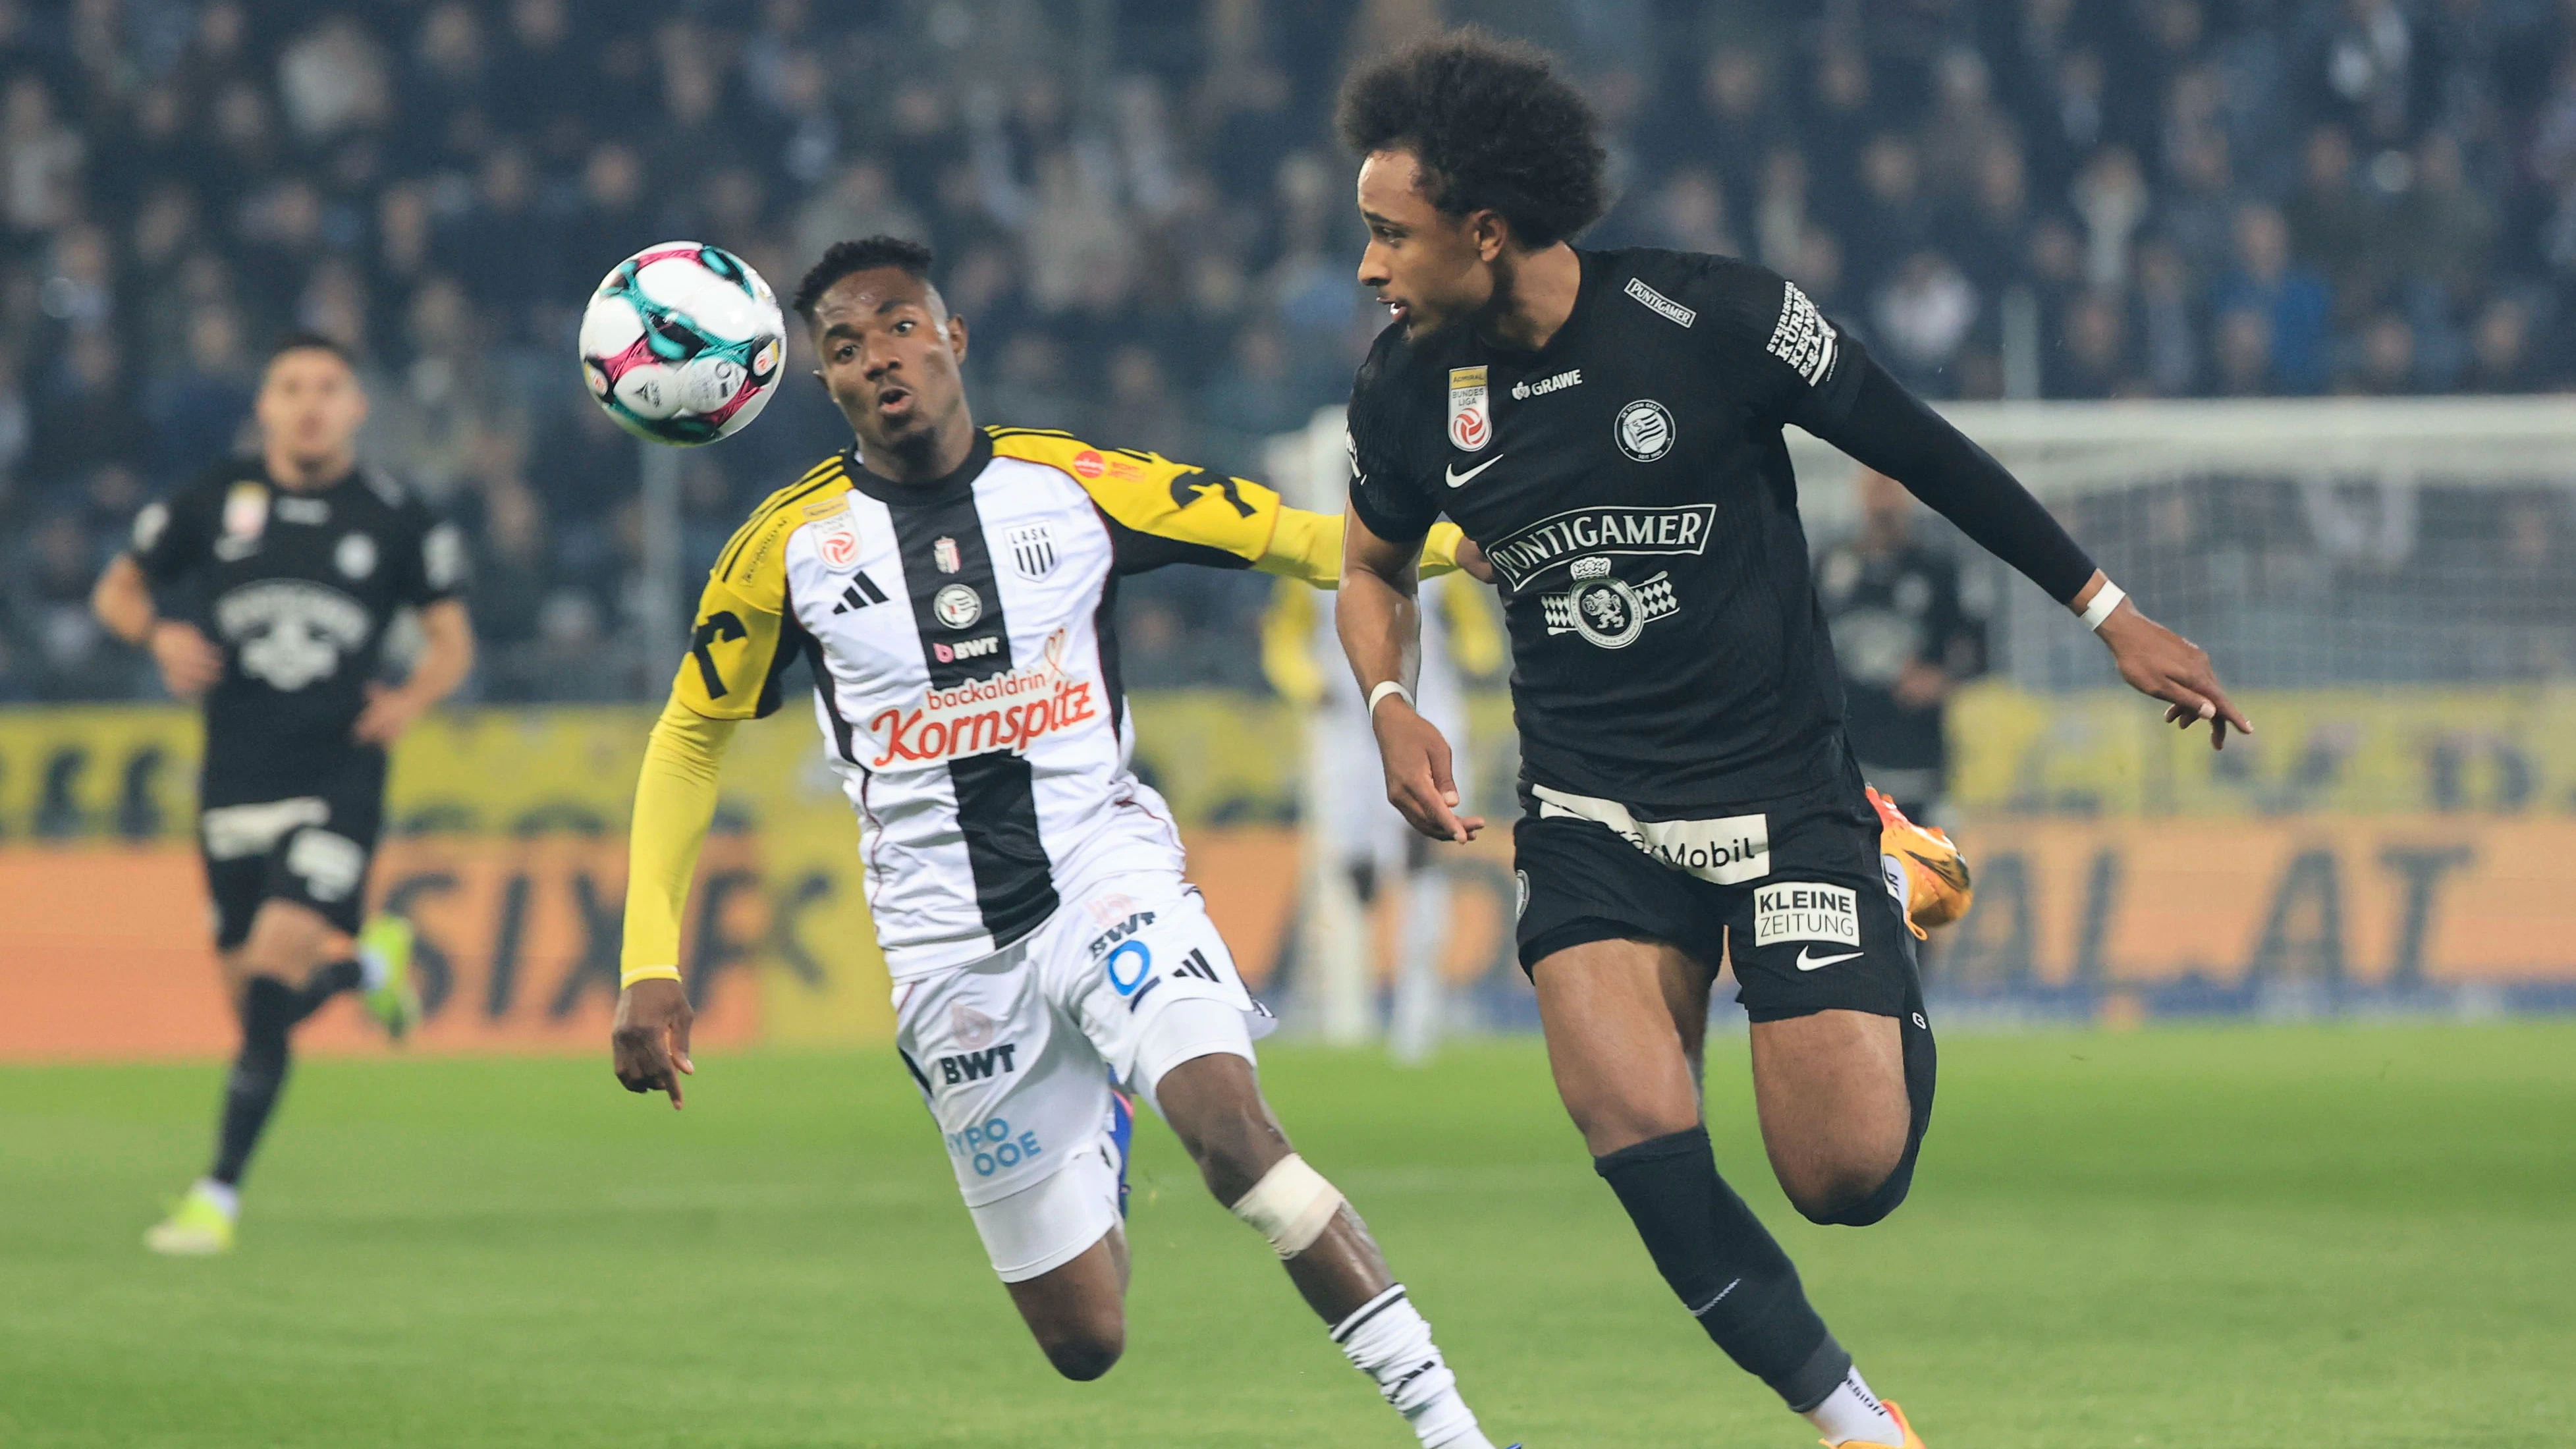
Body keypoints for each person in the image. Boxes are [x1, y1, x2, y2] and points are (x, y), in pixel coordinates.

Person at [1332, 33, 2247, 1449]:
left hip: (1780, 798)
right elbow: (1370, 568)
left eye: (1390, 234)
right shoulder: (1404, 391)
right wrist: (1391, 705)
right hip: (1589, 813)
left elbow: (1918, 448)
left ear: (1487, 229)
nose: (1367, 268)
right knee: (1635, 1135)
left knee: (1842, 1178)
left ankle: (1878, 873)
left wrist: (2106, 610)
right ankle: (1855, 1423)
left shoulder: (1714, 318)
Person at [608, 237, 1510, 1449]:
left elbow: (1297, 538)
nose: (881, 359)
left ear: (952, 337)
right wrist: (648, 961)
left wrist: (1462, 544)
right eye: (847, 346)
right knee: (1085, 1340)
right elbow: (687, 738)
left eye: (901, 327)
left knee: (1234, 1138)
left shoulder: (1076, 482)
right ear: (818, 379)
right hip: (947, 949)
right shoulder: (786, 548)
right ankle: (1102, 1113)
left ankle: (1451, 1429)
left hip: (1105, 874)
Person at [92, 334, 471, 1256]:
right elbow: (118, 591)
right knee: (259, 1012)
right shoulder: (211, 499)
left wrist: (410, 699)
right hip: (233, 778)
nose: (309, 404)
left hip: (338, 775)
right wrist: (157, 636)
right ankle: (367, 970)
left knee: (268, 986)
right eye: (291, 387)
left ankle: (215, 1195)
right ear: (263, 405)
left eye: (328, 388)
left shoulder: (396, 516)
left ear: (356, 408)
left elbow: (451, 640)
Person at [1813, 468, 1986, 823]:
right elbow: (1802, 645)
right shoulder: (1828, 566)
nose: (1883, 499)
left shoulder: (1937, 570)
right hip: (1844, 757)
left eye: (1891, 487)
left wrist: (1941, 680)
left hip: (1915, 759)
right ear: (1860, 493)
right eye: (1875, 487)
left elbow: (1978, 652)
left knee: (1919, 856)